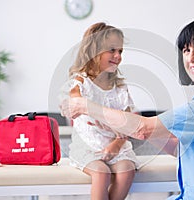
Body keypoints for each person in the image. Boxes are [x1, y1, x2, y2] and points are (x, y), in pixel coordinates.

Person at [61, 18, 194, 200]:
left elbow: (143, 128)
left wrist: (86, 107)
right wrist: (135, 127)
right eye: (186, 50)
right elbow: (178, 149)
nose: (191, 58)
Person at [62, 22, 139, 200]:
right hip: (88, 146)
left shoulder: (119, 87)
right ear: (93, 51)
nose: (118, 56)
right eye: (112, 50)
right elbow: (75, 99)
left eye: (120, 51)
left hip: (116, 145)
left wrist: (116, 145)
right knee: (102, 173)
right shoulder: (81, 81)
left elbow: (128, 124)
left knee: (127, 171)